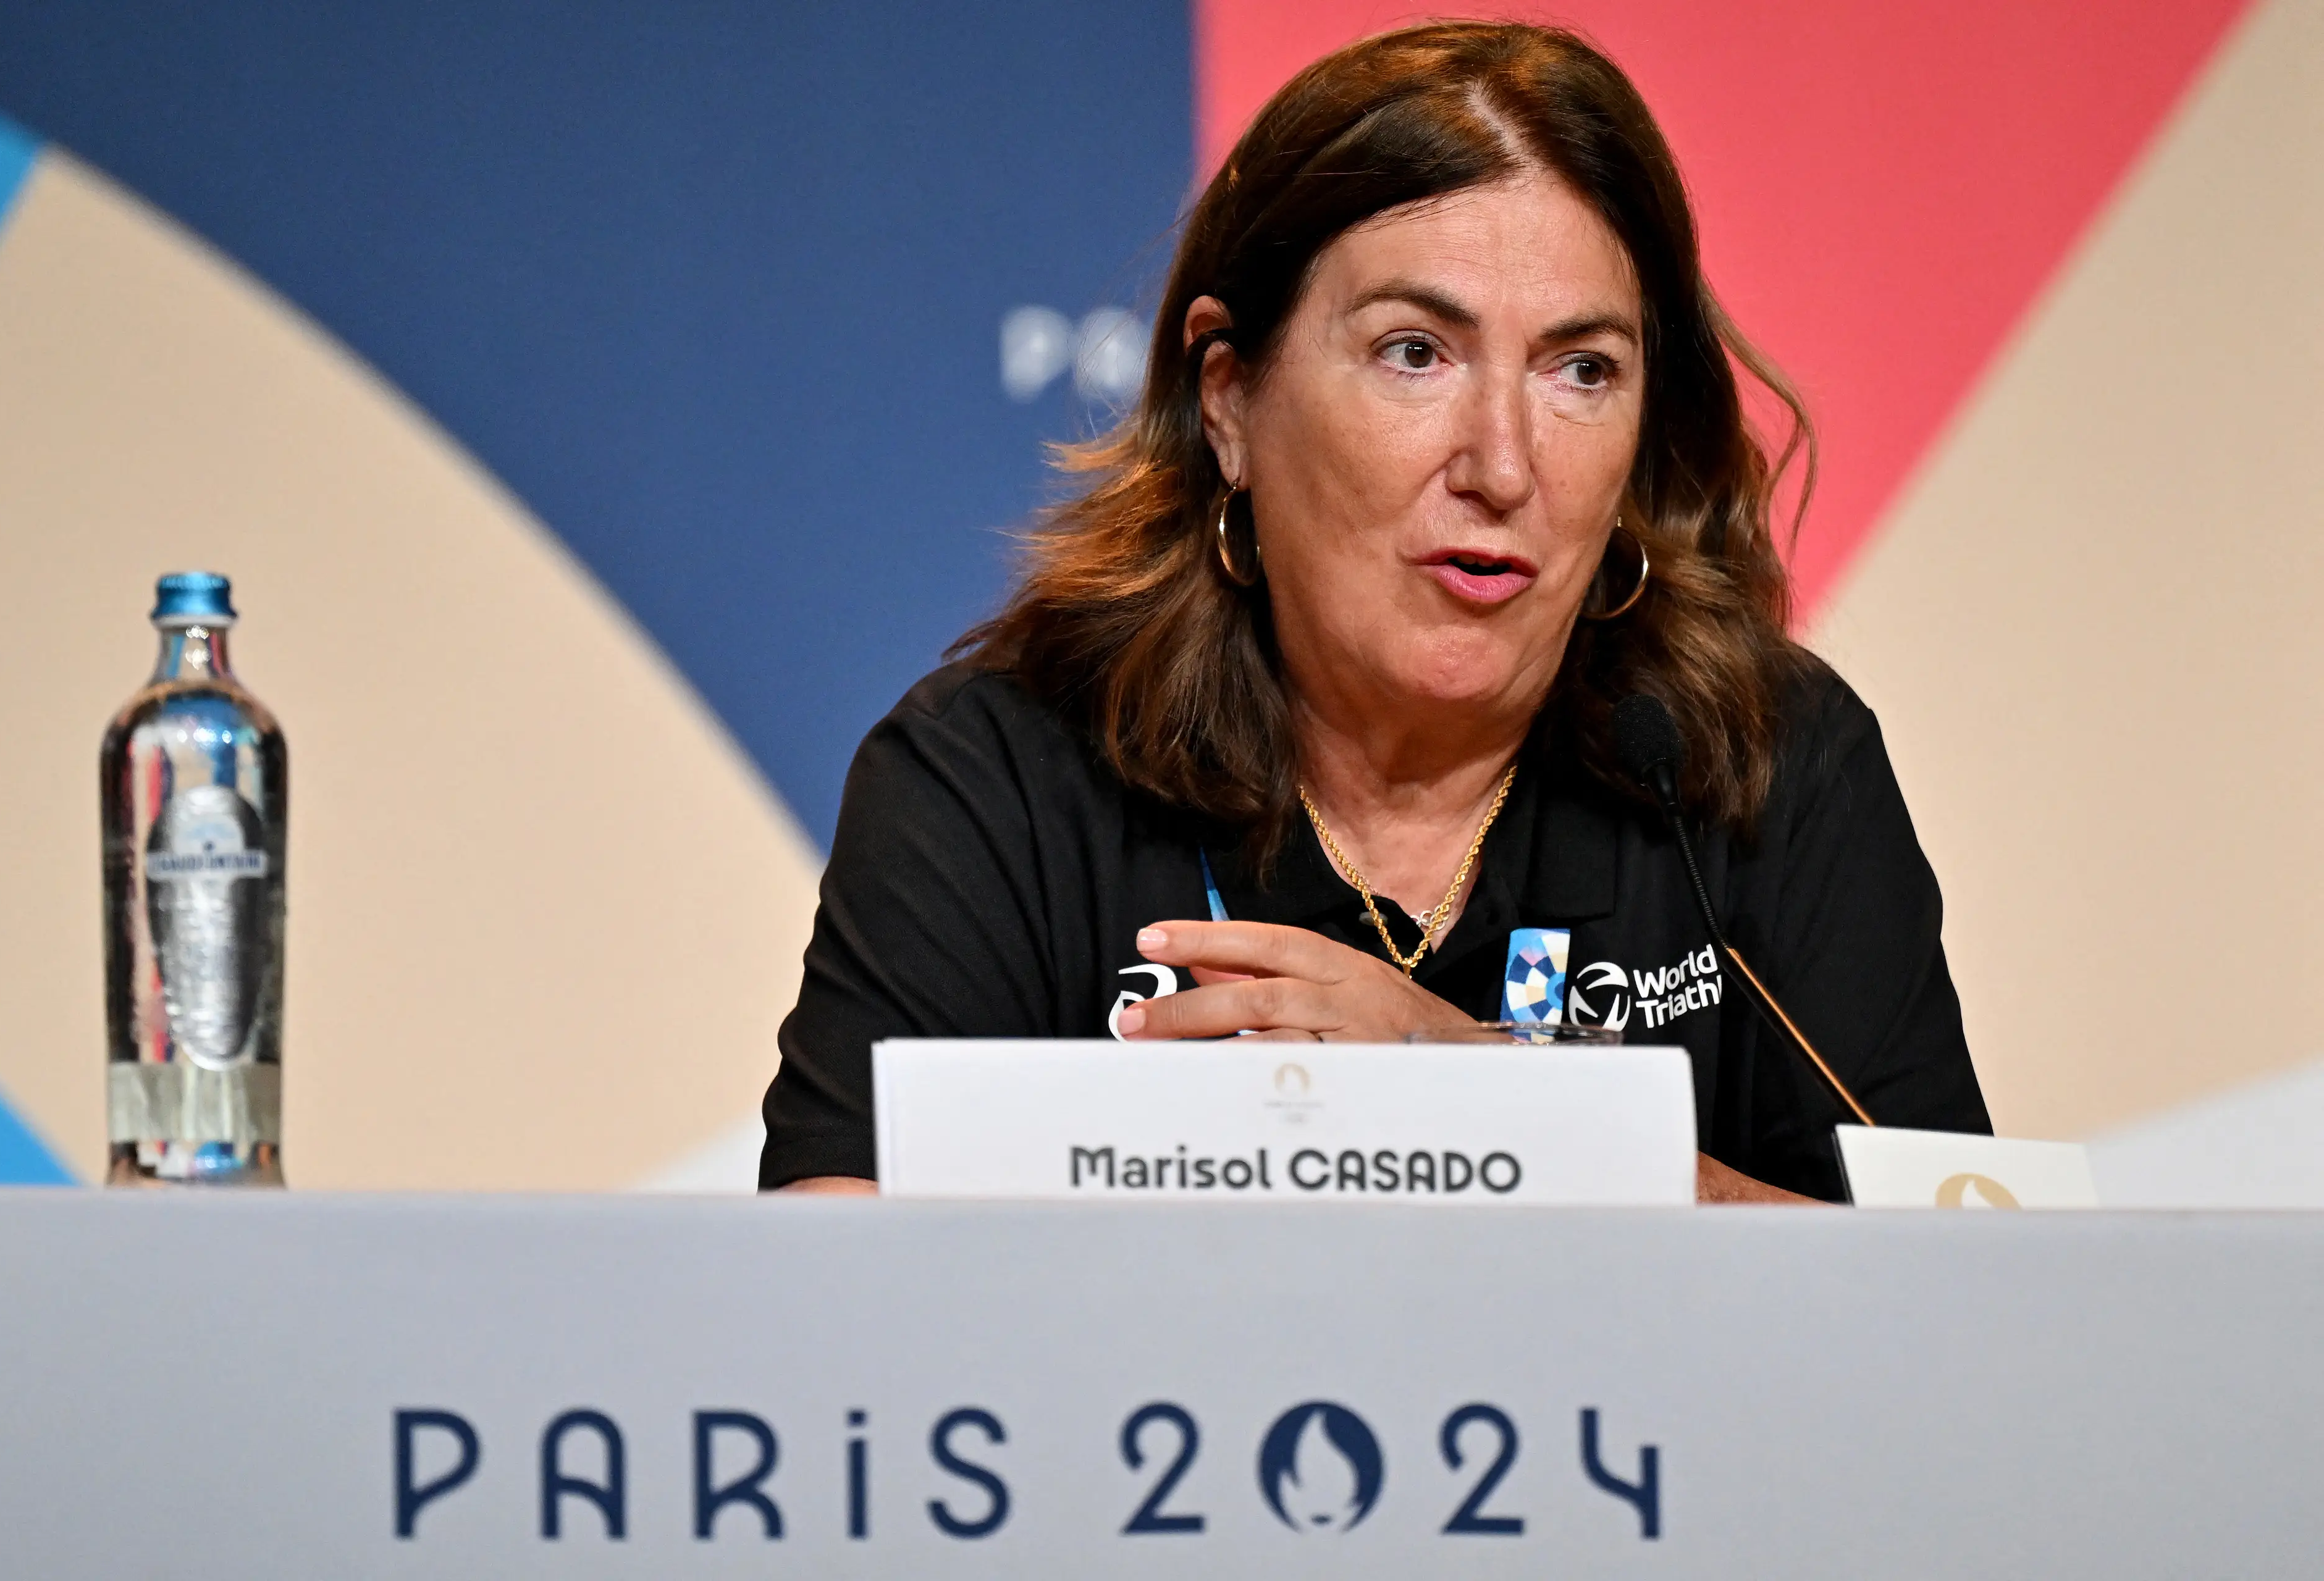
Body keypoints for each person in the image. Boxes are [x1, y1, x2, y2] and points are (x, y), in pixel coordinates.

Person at [761, 20, 1990, 1203]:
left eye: (1582, 370)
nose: (1505, 466)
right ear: (1232, 400)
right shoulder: (998, 780)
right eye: (1416, 352)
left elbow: (1973, 1306)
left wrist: (1490, 1117)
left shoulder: (1760, 766)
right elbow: (829, 1315)